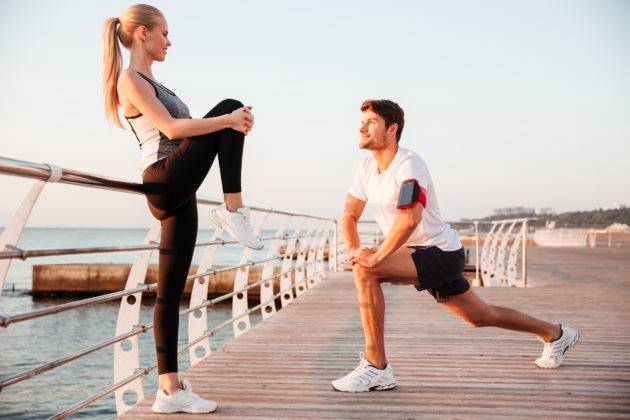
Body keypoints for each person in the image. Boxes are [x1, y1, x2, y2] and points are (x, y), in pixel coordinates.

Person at [331, 99, 579, 393]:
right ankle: (556, 334)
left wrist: (375, 258)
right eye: (362, 122)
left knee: (366, 273)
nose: (362, 127)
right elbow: (349, 215)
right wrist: (355, 250)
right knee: (480, 316)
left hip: (441, 253)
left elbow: (410, 219)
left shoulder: (409, 164)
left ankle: (377, 367)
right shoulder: (365, 169)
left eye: (371, 122)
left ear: (392, 128)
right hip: (418, 253)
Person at [102, 4, 261, 413]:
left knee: (171, 293)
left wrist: (230, 124)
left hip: (179, 189)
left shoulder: (156, 81)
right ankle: (234, 209)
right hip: (163, 178)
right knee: (231, 104)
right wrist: (228, 119)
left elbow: (192, 132)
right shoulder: (129, 79)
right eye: (165, 33)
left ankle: (169, 391)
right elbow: (173, 130)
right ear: (142, 34)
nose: (169, 41)